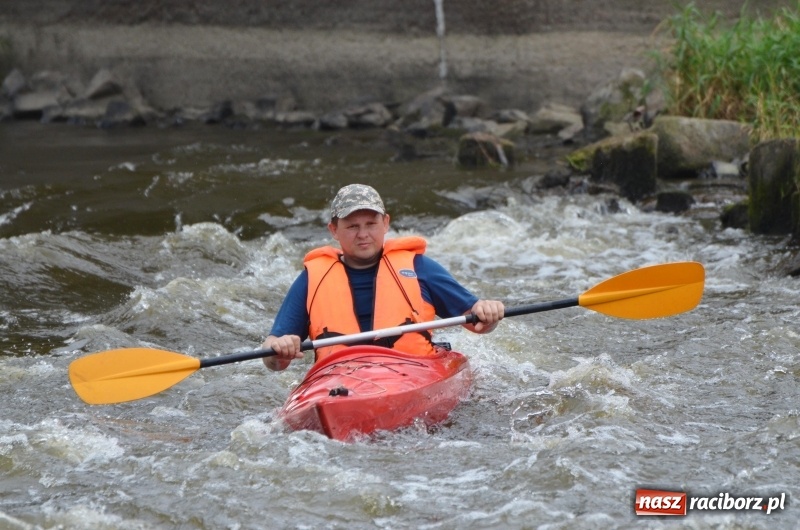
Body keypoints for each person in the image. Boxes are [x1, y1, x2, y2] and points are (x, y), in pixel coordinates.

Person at [262, 183, 505, 371]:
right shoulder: (312, 279)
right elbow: (272, 358)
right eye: (352, 226)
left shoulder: (419, 268)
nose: (363, 234)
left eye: (371, 223)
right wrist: (278, 350)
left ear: (385, 223)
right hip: (340, 380)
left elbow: (478, 323)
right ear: (334, 230)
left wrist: (487, 312)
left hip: (413, 371)